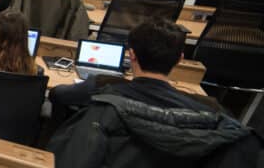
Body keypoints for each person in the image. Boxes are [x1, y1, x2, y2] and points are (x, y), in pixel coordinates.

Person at [50, 17, 216, 113]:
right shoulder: (205, 108)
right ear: (179, 59)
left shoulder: (102, 85)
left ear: (132, 55)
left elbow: (57, 95)